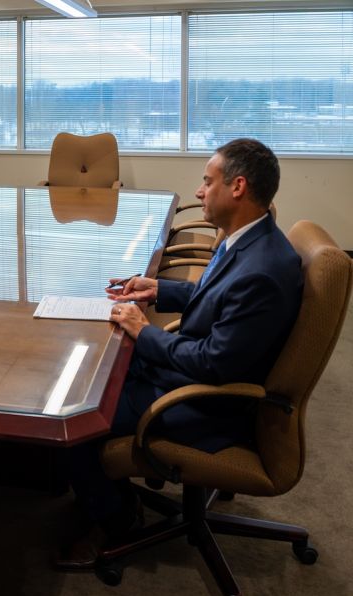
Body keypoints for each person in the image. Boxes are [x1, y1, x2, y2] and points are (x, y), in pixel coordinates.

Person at [55, 138, 304, 569]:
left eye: (207, 182)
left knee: (74, 413)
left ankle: (115, 517)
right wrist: (160, 288)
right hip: (190, 372)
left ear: (238, 187)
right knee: (90, 367)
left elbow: (214, 362)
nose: (199, 191)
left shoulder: (263, 270)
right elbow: (217, 299)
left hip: (206, 402)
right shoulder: (251, 238)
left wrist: (141, 331)